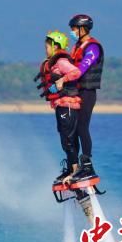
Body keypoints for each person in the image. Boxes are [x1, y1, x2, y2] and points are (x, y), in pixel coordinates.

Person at [36, 31, 82, 185]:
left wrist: (62, 79)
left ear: (56, 46)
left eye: (47, 46)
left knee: (68, 139)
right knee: (65, 139)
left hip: (67, 104)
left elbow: (76, 72)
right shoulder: (52, 63)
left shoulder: (61, 62)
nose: (45, 49)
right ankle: (71, 169)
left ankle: (76, 171)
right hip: (61, 106)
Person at [66, 14, 104, 183]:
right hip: (75, 93)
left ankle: (87, 165)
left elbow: (81, 68)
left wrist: (63, 80)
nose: (72, 32)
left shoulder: (93, 47)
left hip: (87, 93)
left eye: (74, 28)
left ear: (82, 29)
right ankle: (73, 166)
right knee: (71, 129)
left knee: (82, 127)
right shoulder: (77, 46)